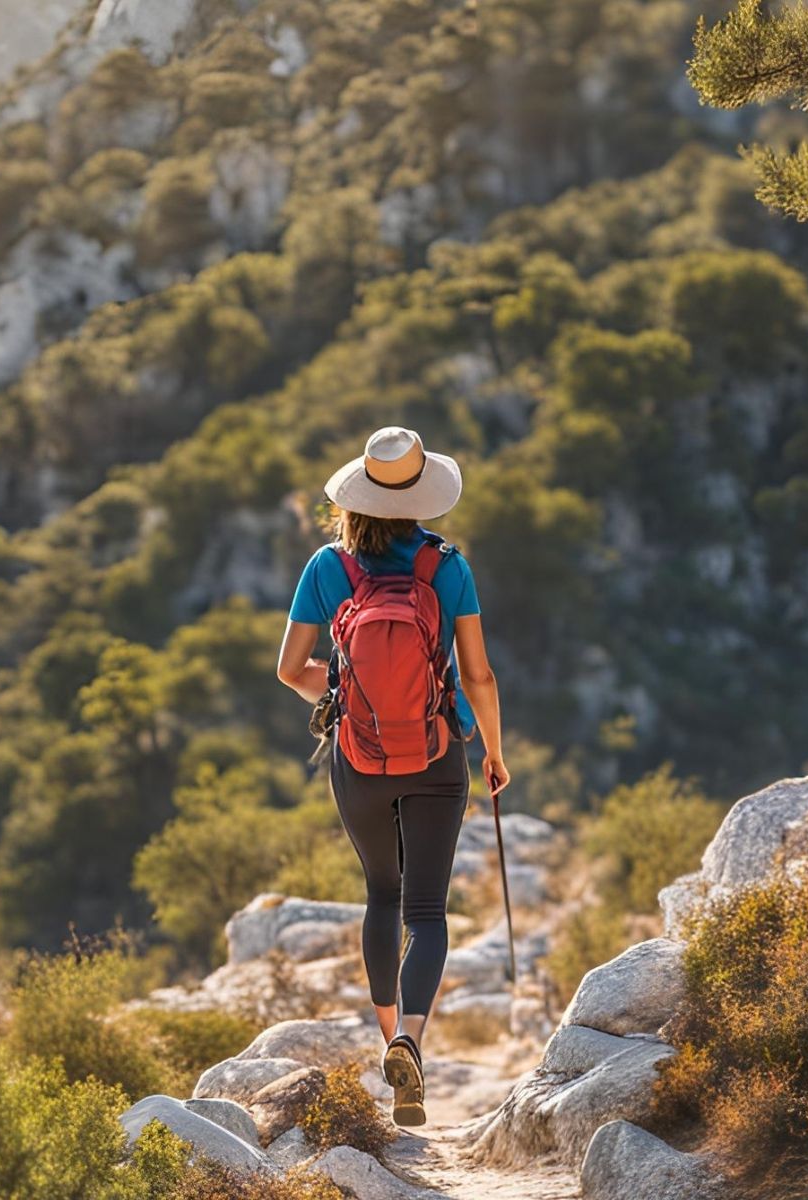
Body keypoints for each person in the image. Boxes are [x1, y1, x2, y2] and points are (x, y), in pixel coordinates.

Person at [275, 426, 509, 1127]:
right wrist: (494, 753)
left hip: (359, 756)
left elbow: (290, 670)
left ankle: (391, 1046)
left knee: (382, 893)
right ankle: (412, 1034)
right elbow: (478, 675)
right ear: (420, 494)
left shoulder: (328, 566)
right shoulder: (447, 565)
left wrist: (348, 694)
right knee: (428, 914)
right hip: (437, 755)